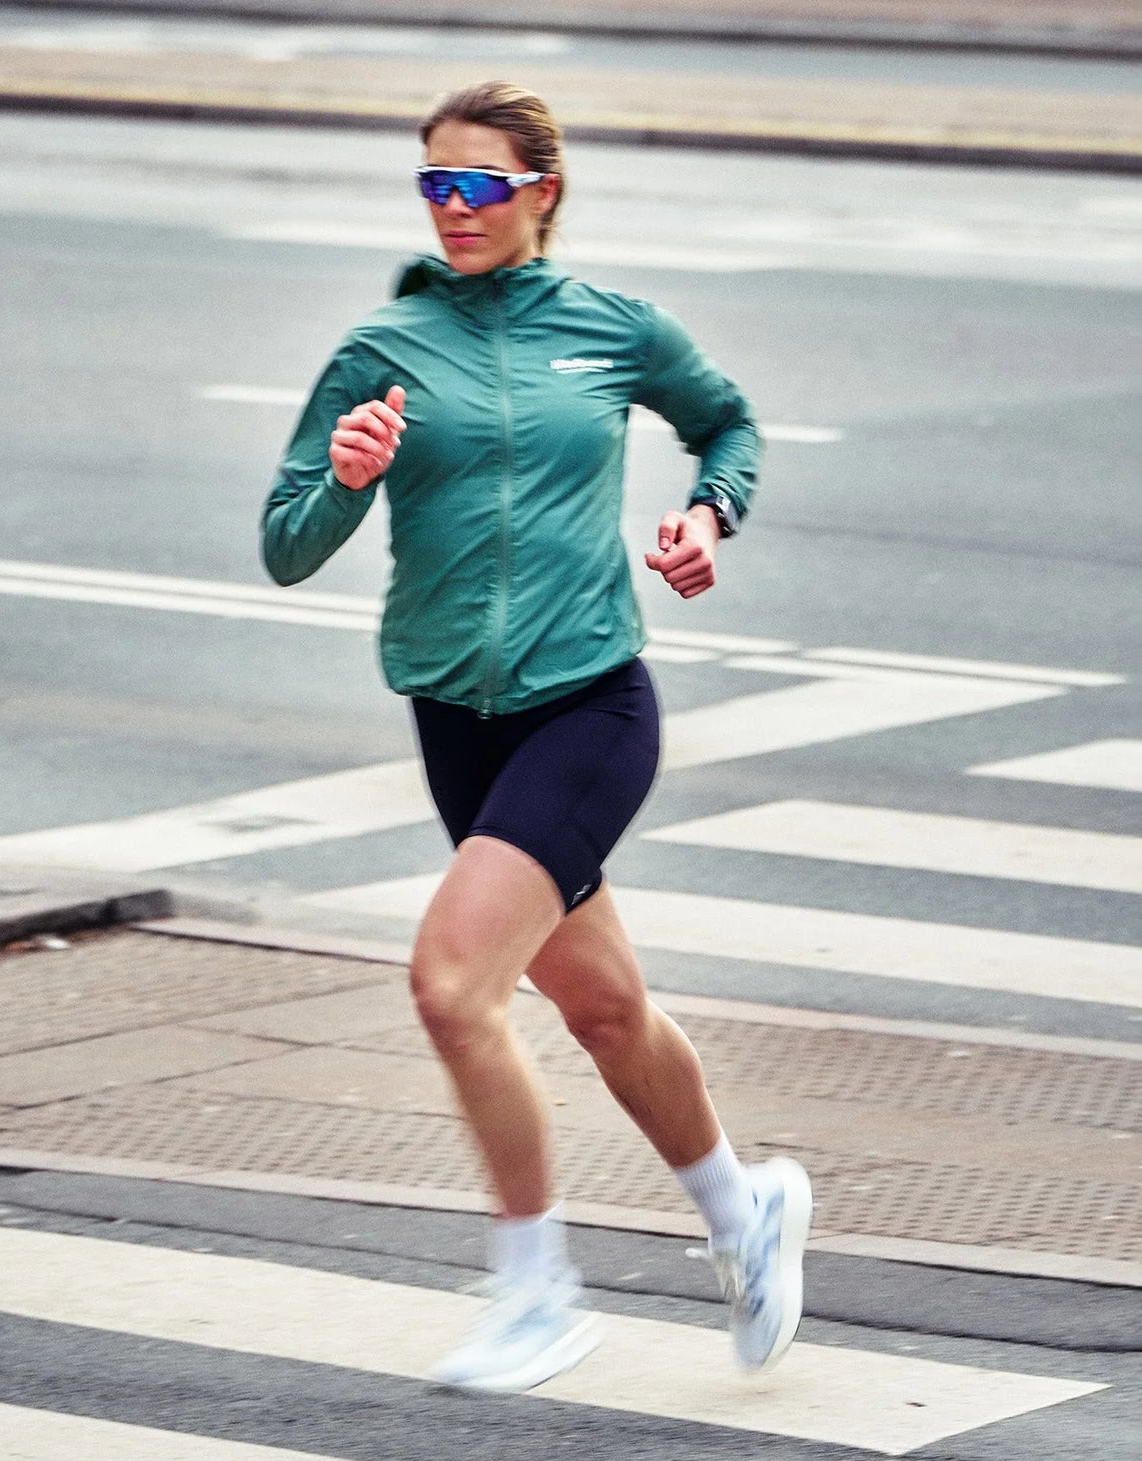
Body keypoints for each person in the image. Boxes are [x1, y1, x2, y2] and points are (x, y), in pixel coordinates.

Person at [262, 79, 811, 1394]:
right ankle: (746, 1210)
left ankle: (535, 1292)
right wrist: (344, 478)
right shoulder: (381, 348)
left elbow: (727, 424)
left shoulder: (615, 329)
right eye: (433, 185)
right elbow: (285, 542)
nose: (452, 208)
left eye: (477, 184)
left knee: (454, 987)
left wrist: (709, 516)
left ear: (539, 192)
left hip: (588, 703)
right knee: (606, 1009)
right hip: (456, 719)